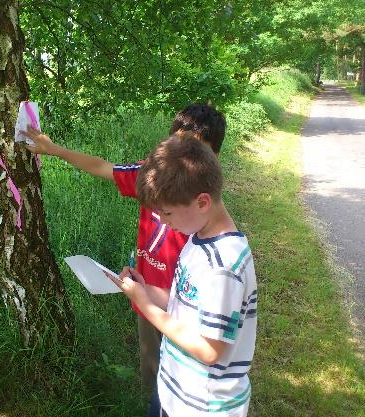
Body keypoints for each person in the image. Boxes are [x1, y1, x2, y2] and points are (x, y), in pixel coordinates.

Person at [23, 104, 227, 397]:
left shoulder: (206, 205)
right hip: (147, 294)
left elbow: (210, 345)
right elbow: (103, 167)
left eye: (195, 152)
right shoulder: (152, 174)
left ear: (213, 158)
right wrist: (55, 150)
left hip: (189, 307)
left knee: (187, 380)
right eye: (179, 148)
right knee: (152, 371)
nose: (183, 162)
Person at [110, 134, 257, 417]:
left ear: (202, 202)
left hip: (202, 406)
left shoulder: (222, 267)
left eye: (166, 213)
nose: (163, 222)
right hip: (174, 389)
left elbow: (209, 350)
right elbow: (184, 301)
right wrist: (146, 290)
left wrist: (147, 306)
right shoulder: (198, 236)